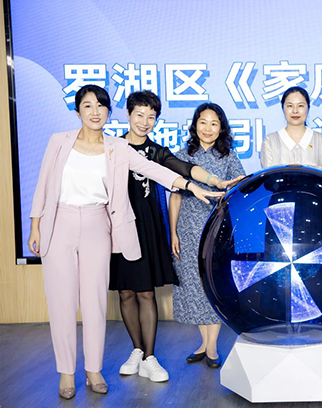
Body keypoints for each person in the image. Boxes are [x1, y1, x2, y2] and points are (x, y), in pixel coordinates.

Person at [27, 85, 220, 399]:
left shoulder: (117, 147)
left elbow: (154, 169)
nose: (95, 112)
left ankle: (93, 370)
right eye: (88, 106)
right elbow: (43, 184)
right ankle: (66, 372)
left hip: (96, 225)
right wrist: (35, 225)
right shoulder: (58, 141)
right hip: (59, 222)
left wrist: (191, 186)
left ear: (108, 112)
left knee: (95, 303)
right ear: (78, 111)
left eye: (101, 106)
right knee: (62, 302)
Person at [110, 91, 241, 383]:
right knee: (127, 291)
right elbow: (177, 190)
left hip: (154, 226)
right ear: (128, 114)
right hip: (121, 225)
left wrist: (212, 182)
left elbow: (183, 173)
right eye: (139, 115)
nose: (145, 121)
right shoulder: (112, 147)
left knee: (151, 291)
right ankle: (138, 352)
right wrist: (175, 230)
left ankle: (153, 356)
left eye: (151, 117)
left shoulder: (160, 152)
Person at [170, 102, 246, 369]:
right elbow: (175, 197)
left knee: (214, 283)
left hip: (218, 229)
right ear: (195, 125)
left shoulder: (229, 156)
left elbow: (240, 188)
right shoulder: (181, 156)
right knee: (193, 284)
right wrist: (173, 233)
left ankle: (212, 346)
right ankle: (204, 343)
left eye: (214, 123)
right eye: (203, 122)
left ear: (221, 127)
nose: (208, 128)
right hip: (188, 228)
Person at [260, 86, 322, 168]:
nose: (295, 111)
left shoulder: (321, 140)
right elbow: (268, 174)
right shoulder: (270, 141)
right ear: (283, 108)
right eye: (290, 106)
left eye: (300, 106)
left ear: (308, 108)